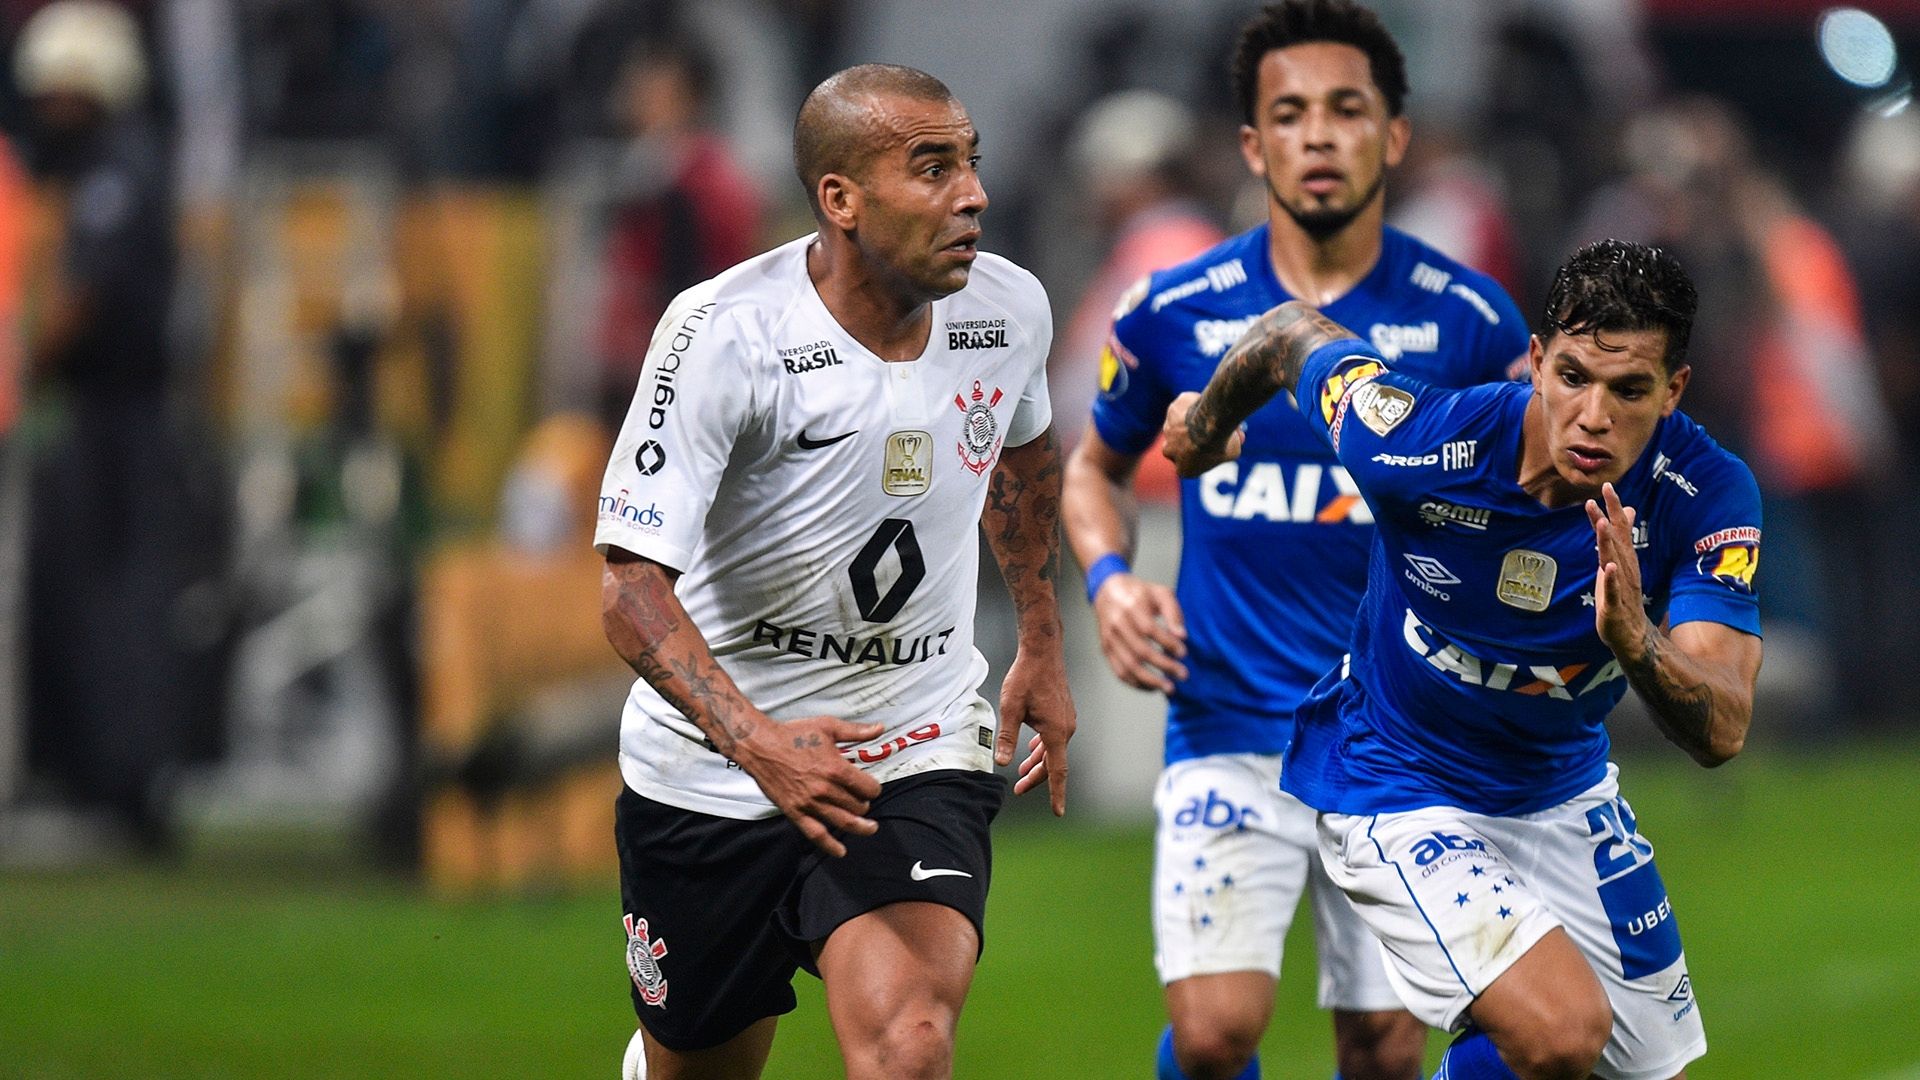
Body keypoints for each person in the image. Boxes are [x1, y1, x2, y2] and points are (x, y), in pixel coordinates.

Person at [1161, 239, 1763, 1080]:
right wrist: (1203, 427)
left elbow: (1724, 722)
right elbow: (1288, 336)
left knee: (1642, 1069)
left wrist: (1639, 645)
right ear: (1537, 360)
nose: (1594, 415)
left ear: (1674, 390)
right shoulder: (1413, 440)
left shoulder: (1707, 493)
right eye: (1574, 377)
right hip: (1399, 781)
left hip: (1561, 789)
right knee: (1558, 1033)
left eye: (1629, 391)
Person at [1060, 3, 1528, 1077]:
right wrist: (1111, 579)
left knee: (1383, 1046)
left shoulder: (1470, 321)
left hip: (1397, 738)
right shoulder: (1175, 308)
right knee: (1217, 1035)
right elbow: (1091, 469)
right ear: (1252, 144)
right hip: (1227, 714)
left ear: (1395, 136)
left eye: (1347, 110)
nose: (1318, 135)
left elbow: (1523, 504)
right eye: (1290, 113)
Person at [596, 63, 1074, 1080]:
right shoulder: (723, 332)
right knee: (700, 1068)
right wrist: (760, 744)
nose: (974, 195)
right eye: (933, 168)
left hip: (913, 739)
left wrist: (1040, 639)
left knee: (909, 1047)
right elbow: (630, 589)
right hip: (711, 771)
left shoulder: (1011, 311)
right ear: (841, 199)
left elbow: (1027, 458)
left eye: (972, 165)